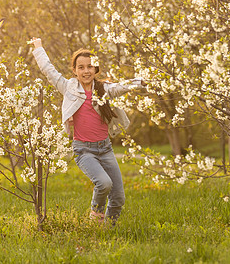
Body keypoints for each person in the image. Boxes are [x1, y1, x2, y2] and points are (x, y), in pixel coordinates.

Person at [31, 37, 146, 224]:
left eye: (90, 67)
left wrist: (140, 81)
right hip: (84, 150)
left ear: (96, 69)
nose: (86, 71)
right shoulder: (68, 87)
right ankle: (96, 215)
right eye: (81, 67)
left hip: (105, 149)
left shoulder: (103, 89)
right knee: (104, 183)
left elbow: (121, 86)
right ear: (75, 70)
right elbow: (49, 71)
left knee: (118, 198)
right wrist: (38, 48)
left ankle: (108, 230)